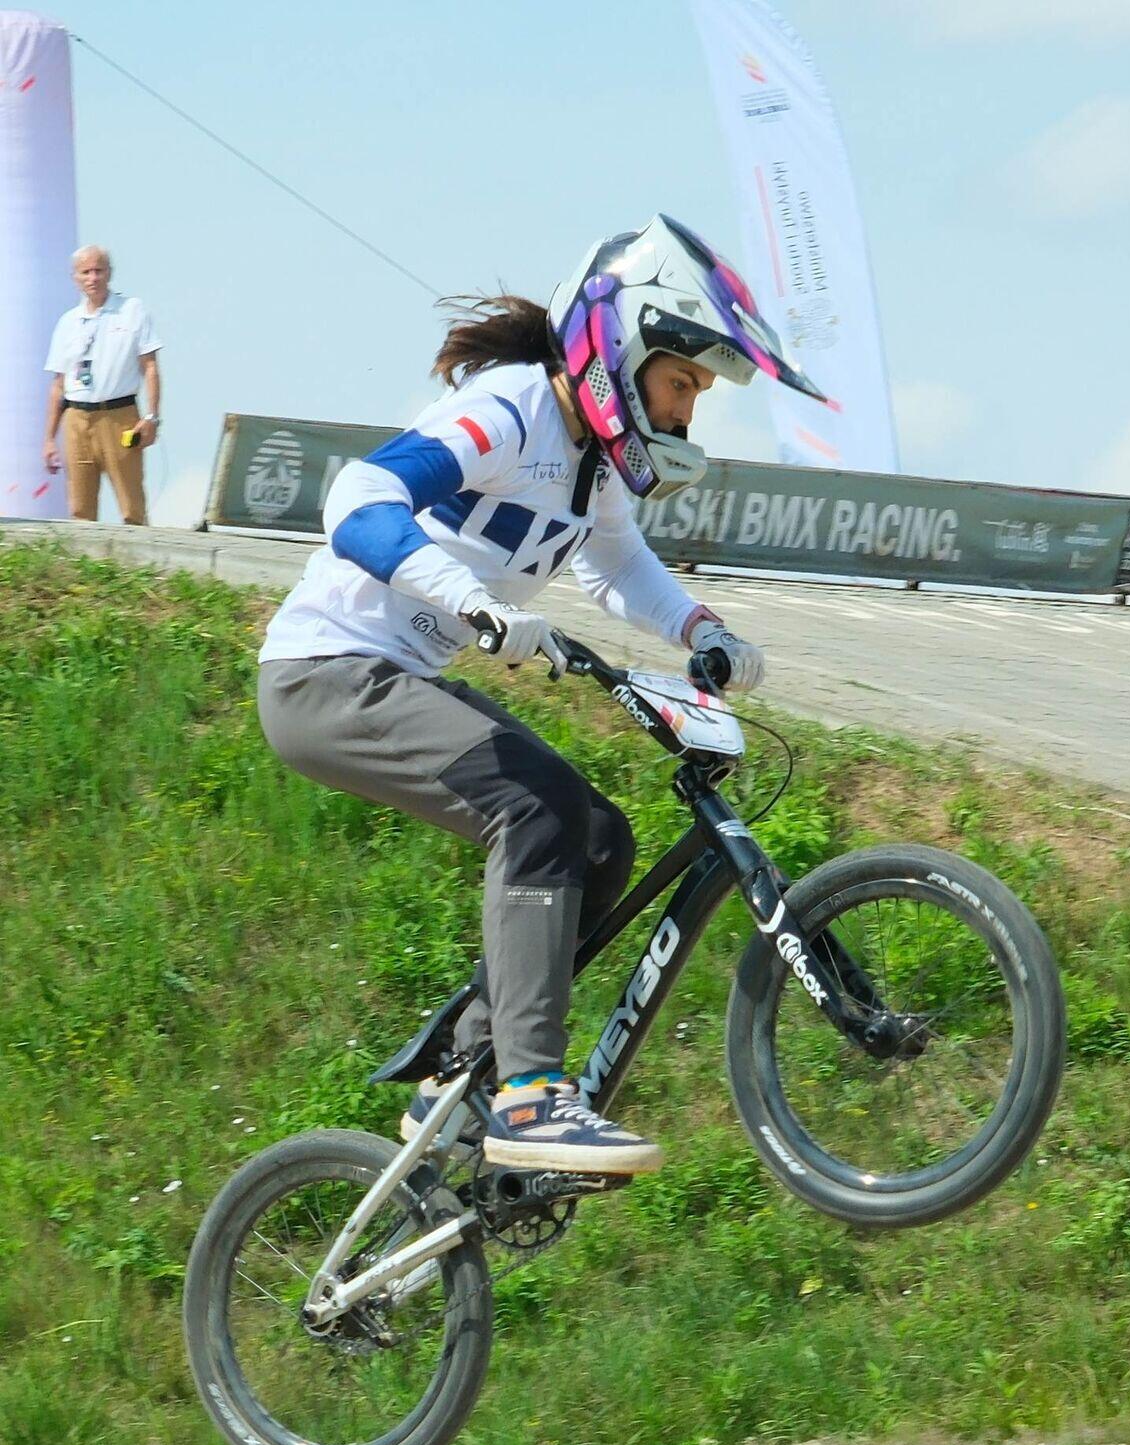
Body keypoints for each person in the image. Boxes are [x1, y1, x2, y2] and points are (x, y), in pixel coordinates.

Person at [257, 214, 831, 1175]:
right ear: (624, 351)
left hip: (392, 676)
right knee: (536, 809)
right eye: (682, 384)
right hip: (325, 673)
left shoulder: (589, 460)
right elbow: (357, 498)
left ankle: (462, 1072)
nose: (685, 415)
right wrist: (469, 599)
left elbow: (619, 565)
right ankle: (529, 1097)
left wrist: (703, 630)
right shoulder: (514, 409)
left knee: (598, 838)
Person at [43, 245, 162, 525]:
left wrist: (152, 416)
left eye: (99, 271)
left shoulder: (131, 310)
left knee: (131, 505)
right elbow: (58, 384)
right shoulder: (68, 322)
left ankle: (136, 552)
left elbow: (150, 366)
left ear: (109, 273)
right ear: (75, 277)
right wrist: (49, 438)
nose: (93, 278)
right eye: (86, 272)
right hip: (76, 417)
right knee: (80, 508)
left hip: (119, 416)